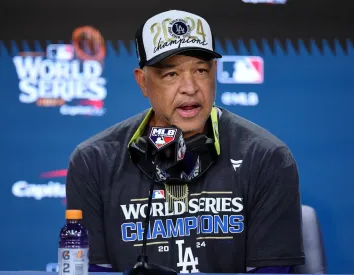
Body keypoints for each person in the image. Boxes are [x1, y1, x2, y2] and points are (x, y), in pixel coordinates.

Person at [66, 9, 305, 274]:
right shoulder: (94, 161)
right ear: (143, 82)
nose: (190, 87)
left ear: (215, 72)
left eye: (201, 70)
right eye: (171, 74)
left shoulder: (267, 157)